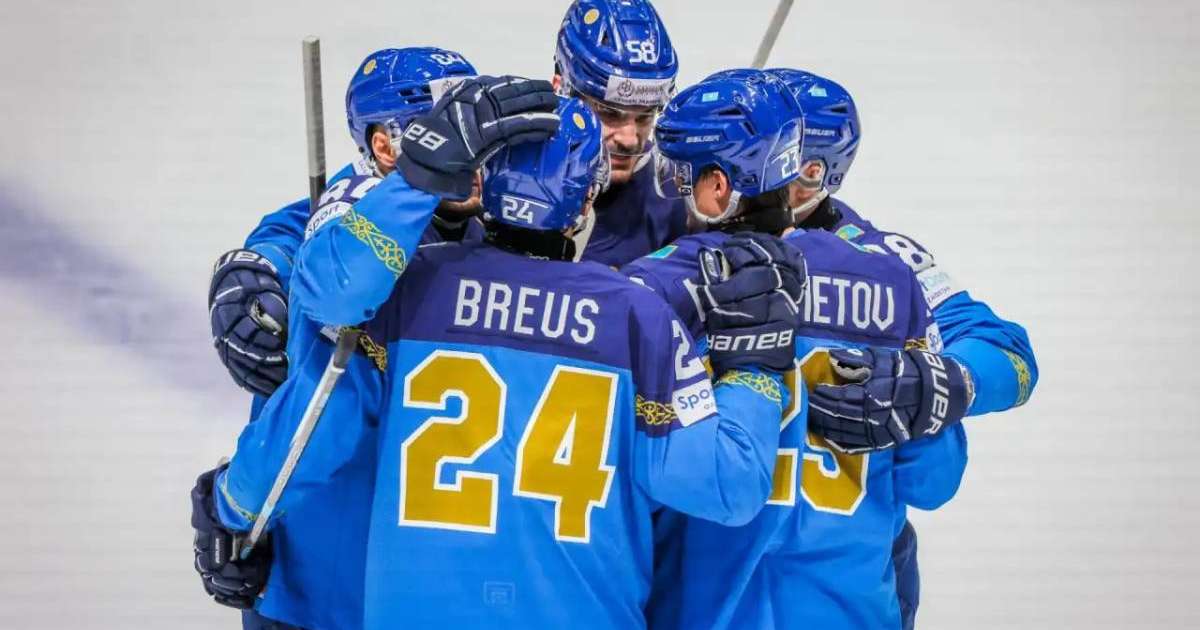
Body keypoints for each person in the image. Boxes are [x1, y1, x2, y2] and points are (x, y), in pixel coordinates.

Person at [212, 97, 806, 628]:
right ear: (584, 203)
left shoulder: (404, 295)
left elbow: (313, 415)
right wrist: (755, 368)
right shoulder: (637, 319)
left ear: (480, 182)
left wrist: (231, 504)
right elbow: (727, 487)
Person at [191, 67, 559, 630]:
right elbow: (333, 271)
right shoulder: (351, 228)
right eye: (438, 134)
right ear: (385, 147)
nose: (474, 156)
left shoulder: (497, 226)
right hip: (323, 586)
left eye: (473, 132)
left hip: (434, 586)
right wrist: (236, 506)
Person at [624, 69, 971, 629]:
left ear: (717, 187)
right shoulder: (891, 282)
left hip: (706, 611)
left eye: (676, 172)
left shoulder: (653, 287)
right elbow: (934, 481)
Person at [771, 67, 1040, 628]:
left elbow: (1009, 355)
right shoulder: (688, 223)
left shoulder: (884, 260)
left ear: (813, 175)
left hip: (851, 576)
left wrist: (941, 380)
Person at [552, 0, 688, 266]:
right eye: (610, 113)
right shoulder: (505, 166)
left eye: (646, 115)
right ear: (560, 89)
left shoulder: (676, 194)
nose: (629, 138)